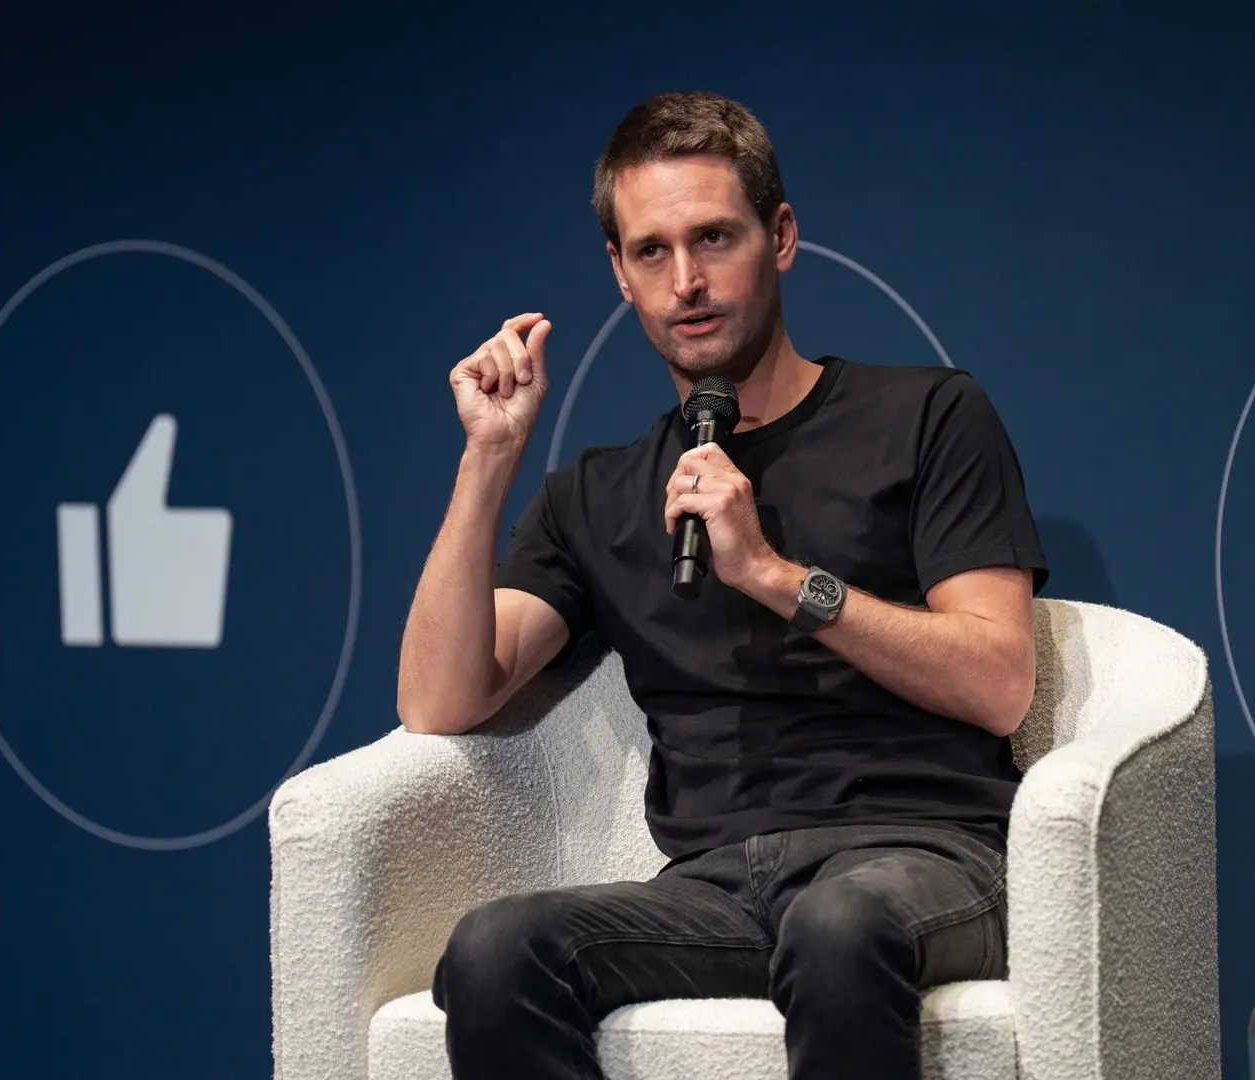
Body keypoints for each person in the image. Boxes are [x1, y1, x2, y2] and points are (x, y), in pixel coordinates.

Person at [395, 90, 1050, 1080]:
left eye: (714, 238)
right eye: (651, 252)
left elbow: (1000, 679)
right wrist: (489, 460)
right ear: (618, 273)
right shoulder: (599, 493)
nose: (687, 281)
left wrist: (775, 576)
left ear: (780, 238)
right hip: (716, 884)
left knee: (838, 924)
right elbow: (439, 700)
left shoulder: (927, 416)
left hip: (928, 858)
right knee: (493, 952)